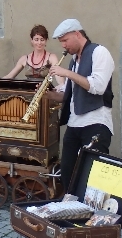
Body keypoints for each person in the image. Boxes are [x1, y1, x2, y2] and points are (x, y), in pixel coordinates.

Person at [48, 19, 115, 190]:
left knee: (95, 176)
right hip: (74, 123)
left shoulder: (99, 52)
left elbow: (98, 87)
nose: (63, 46)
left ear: (77, 34)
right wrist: (46, 95)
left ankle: (96, 214)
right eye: (61, 42)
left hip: (96, 122)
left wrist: (68, 74)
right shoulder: (73, 61)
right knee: (68, 173)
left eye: (65, 40)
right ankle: (71, 209)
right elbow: (69, 96)